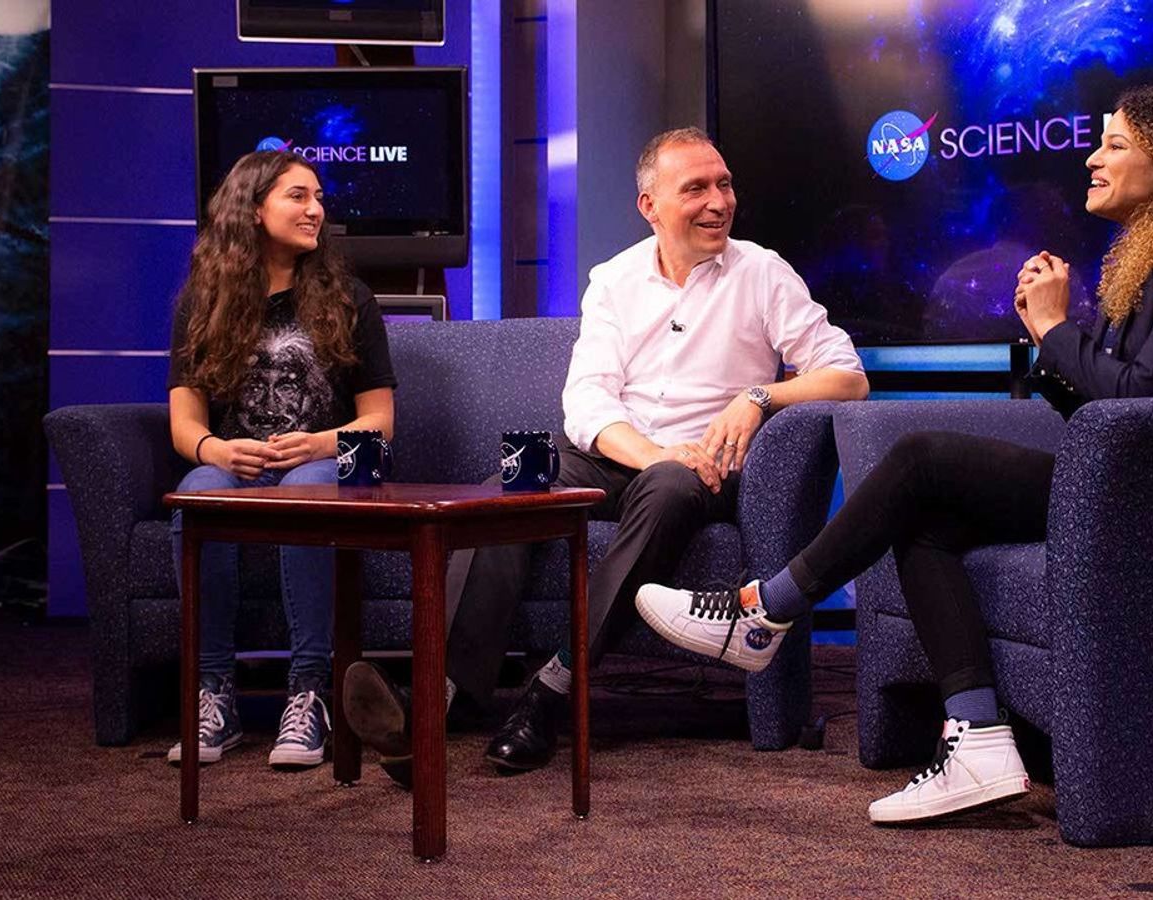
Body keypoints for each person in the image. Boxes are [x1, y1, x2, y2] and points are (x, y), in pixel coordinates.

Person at [636, 85, 1153, 824]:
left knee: (920, 459)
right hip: (1121, 474)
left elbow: (1148, 399)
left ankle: (761, 612)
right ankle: (977, 738)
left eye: (1116, 145)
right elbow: (1108, 406)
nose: (1094, 158)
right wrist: (1052, 337)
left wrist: (1057, 328)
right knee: (926, 517)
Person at [341, 127, 868, 784]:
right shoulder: (614, 279)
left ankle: (550, 691)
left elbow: (848, 376)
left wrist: (758, 396)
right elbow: (586, 402)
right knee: (512, 475)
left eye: (724, 184)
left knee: (671, 484)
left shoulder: (761, 273)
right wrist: (646, 452)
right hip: (619, 449)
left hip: (702, 466)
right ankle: (436, 702)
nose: (718, 202)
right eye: (696, 188)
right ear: (649, 205)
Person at [165, 150, 397, 768]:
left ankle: (308, 692)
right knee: (200, 492)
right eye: (298, 196)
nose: (315, 209)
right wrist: (216, 447)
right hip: (237, 463)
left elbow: (380, 424)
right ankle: (213, 694)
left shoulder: (349, 297)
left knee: (306, 488)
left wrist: (320, 443)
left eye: (318, 197)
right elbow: (184, 425)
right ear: (252, 205)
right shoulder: (202, 301)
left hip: (331, 462)